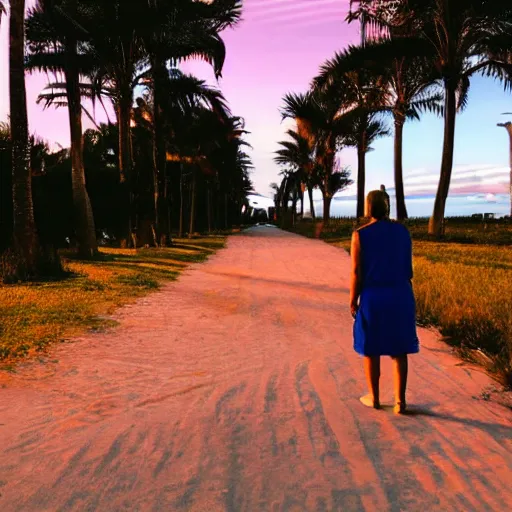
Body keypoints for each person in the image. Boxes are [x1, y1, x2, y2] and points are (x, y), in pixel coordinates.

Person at [350, 190, 419, 414]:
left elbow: (355, 272)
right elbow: (408, 270)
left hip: (374, 296)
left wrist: (353, 299)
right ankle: (400, 402)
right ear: (387, 207)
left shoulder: (360, 234)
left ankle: (375, 397)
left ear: (368, 208)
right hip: (401, 294)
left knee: (372, 347)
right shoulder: (402, 231)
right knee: (400, 349)